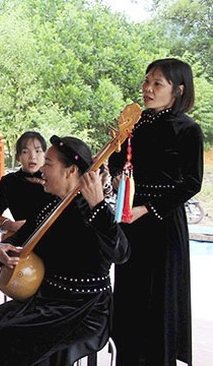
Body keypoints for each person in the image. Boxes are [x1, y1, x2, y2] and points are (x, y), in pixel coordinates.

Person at [0, 136, 130, 365]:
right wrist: (1, 249)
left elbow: (121, 253)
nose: (41, 169)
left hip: (84, 309)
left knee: (17, 345)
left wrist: (98, 206)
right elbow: (18, 238)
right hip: (45, 301)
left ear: (70, 171)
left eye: (48, 163)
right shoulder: (49, 205)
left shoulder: (94, 211)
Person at [108, 58, 203, 366]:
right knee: (129, 299)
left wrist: (148, 208)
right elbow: (116, 163)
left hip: (162, 224)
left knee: (159, 302)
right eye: (146, 81)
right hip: (130, 221)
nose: (147, 88)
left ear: (178, 90)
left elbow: (192, 183)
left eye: (157, 83)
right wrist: (115, 163)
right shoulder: (134, 123)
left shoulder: (188, 130)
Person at [0, 131, 51, 238]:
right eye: (25, 152)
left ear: (45, 155)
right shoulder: (9, 182)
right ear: (17, 157)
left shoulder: (53, 180)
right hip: (25, 240)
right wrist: (10, 225)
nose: (32, 156)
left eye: (38, 151)